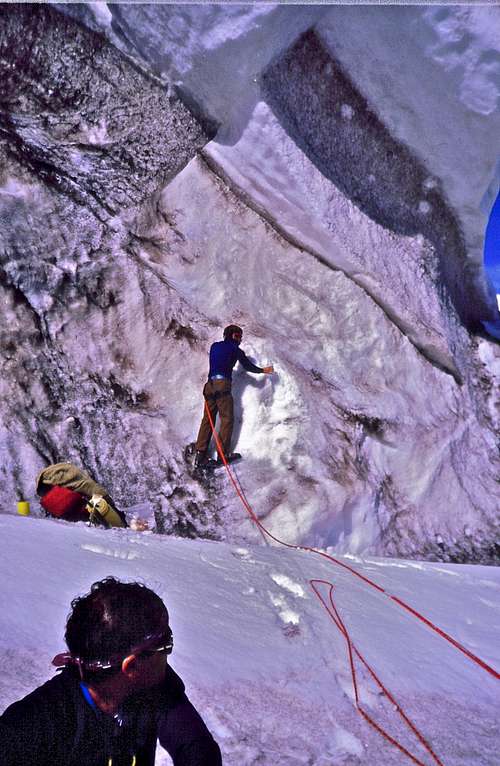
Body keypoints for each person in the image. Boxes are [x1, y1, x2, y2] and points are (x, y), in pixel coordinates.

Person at [0, 577, 222, 766]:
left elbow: (198, 750)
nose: (168, 652)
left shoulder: (156, 687)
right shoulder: (27, 728)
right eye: (165, 643)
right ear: (132, 666)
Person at [194, 325, 274, 468]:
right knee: (226, 419)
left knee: (208, 419)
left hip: (209, 386)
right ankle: (222, 455)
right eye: (238, 336)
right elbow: (248, 366)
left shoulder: (214, 346)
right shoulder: (235, 350)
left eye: (240, 337)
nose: (240, 340)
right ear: (231, 335)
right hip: (222, 385)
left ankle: (200, 453)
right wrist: (263, 370)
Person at [36, 462, 127, 527]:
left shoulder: (50, 483)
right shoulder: (73, 475)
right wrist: (110, 504)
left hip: (62, 513)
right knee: (100, 505)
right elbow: (93, 489)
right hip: (80, 510)